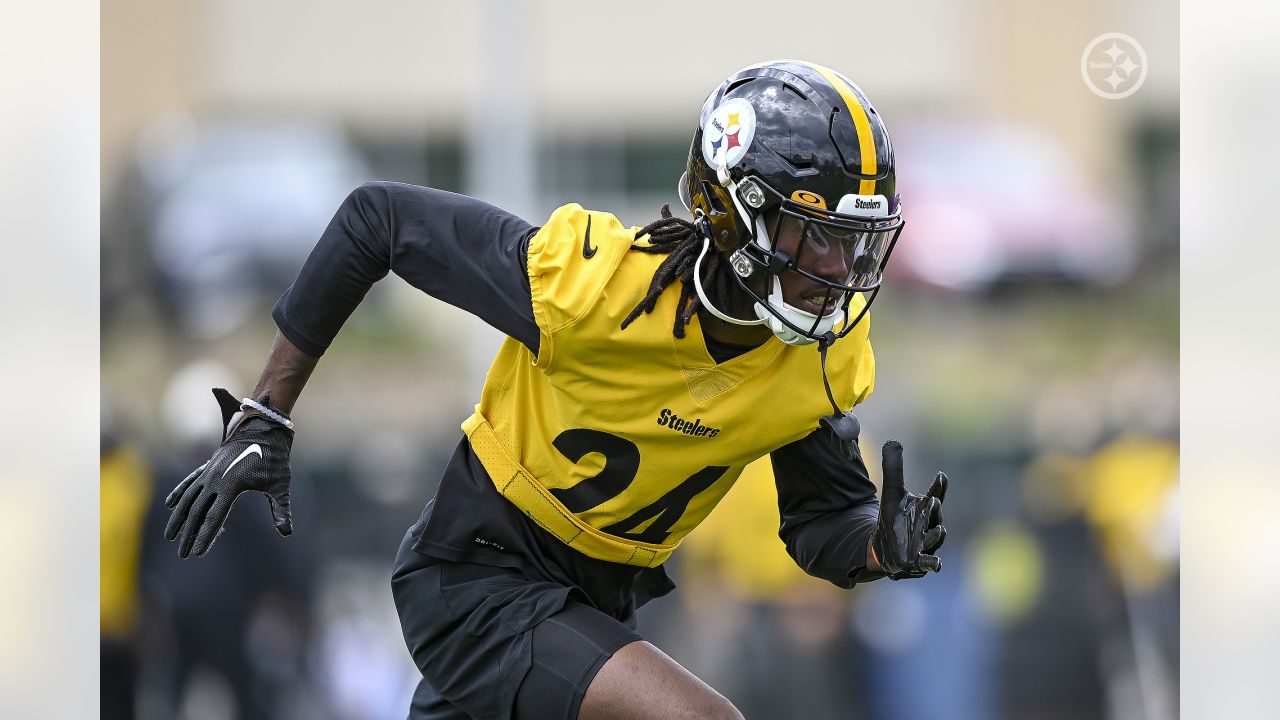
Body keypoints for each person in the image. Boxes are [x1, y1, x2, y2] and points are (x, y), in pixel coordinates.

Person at [163, 60, 950, 720]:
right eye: (819, 235)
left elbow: (818, 523)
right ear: (738, 214)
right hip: (477, 578)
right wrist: (267, 410)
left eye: (855, 243)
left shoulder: (818, 356)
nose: (841, 270)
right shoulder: (594, 288)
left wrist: (881, 544)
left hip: (595, 606)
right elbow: (377, 220)